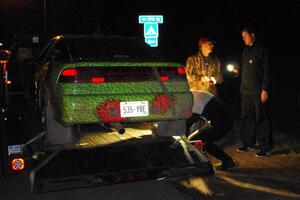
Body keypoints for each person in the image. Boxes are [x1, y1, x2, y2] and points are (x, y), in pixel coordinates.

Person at [236, 27, 273, 157]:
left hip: (258, 90)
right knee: (247, 118)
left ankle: (266, 147)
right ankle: (248, 144)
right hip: (245, 91)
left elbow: (268, 71)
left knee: (261, 118)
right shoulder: (245, 51)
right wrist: (237, 72)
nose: (244, 39)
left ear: (252, 35)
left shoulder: (261, 50)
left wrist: (265, 89)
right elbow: (245, 70)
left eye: (245, 36)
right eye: (242, 37)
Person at [186, 90, 237, 170]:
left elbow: (190, 121)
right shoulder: (196, 93)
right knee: (193, 138)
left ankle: (223, 161)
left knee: (199, 140)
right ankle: (204, 161)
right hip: (217, 121)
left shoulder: (196, 101)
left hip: (223, 123)